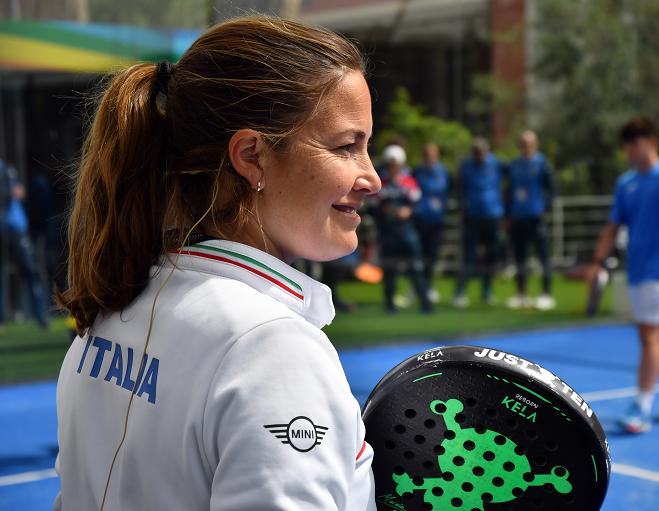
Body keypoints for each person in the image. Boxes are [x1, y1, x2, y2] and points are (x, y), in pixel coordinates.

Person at [54, 16, 380, 510]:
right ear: (252, 155)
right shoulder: (272, 346)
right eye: (346, 147)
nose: (371, 177)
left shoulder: (112, 309)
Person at [585, 117, 659, 434]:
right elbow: (614, 227)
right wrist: (598, 262)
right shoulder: (626, 183)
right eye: (626, 145)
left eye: (634, 143)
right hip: (637, 270)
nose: (628, 150)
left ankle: (642, 405)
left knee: (649, 336)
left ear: (652, 142)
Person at [369, 145, 432, 314]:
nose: (393, 167)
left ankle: (426, 304)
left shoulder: (409, 182)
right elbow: (372, 208)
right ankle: (389, 305)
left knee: (416, 268)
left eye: (396, 164)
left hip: (407, 232)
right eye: (390, 164)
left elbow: (419, 206)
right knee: (390, 270)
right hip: (388, 233)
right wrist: (385, 211)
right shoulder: (380, 184)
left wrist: (409, 211)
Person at [506, 130, 557, 311]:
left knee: (543, 256)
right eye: (523, 143)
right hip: (518, 217)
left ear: (535, 144)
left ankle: (546, 294)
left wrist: (545, 209)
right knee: (520, 257)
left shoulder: (543, 163)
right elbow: (509, 190)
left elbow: (552, 190)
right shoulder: (515, 165)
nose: (526, 146)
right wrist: (508, 214)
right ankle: (521, 294)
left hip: (536, 217)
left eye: (529, 143)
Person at [452, 137, 504, 307]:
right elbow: (459, 189)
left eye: (482, 152)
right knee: (468, 255)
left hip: (492, 215)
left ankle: (487, 290)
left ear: (487, 151)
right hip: (472, 216)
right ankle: (461, 291)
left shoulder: (497, 164)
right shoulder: (466, 166)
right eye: (476, 152)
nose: (479, 155)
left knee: (491, 255)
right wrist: (463, 208)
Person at [0, 159, 49, 328]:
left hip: (15, 226)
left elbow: (19, 192)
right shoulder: (5, 169)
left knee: (30, 270)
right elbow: (15, 192)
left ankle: (40, 314)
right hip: (10, 227)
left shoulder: (5, 167)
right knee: (28, 271)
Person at [412, 143, 450, 303]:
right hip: (419, 219)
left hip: (436, 221)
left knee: (432, 256)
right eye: (427, 154)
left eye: (432, 154)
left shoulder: (443, 172)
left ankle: (428, 286)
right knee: (417, 256)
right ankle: (416, 288)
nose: (429, 157)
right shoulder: (417, 171)